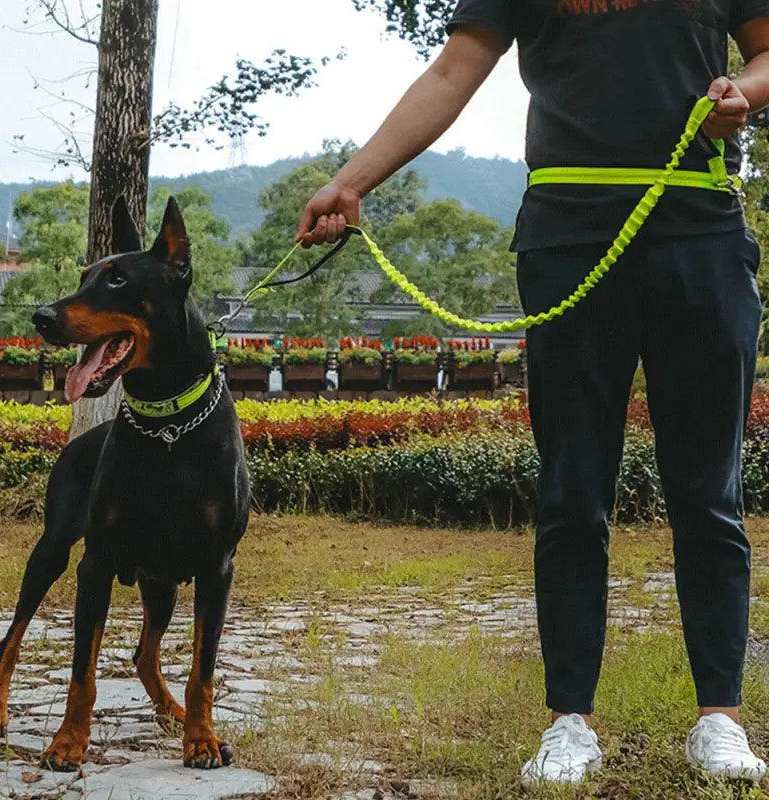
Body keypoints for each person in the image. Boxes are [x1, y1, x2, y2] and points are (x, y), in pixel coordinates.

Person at [296, 0, 769, 788]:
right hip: (567, 240)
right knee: (573, 493)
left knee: (708, 494)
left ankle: (720, 719)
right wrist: (350, 182)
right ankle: (568, 724)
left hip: (702, 237)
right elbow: (453, 70)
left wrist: (745, 94)